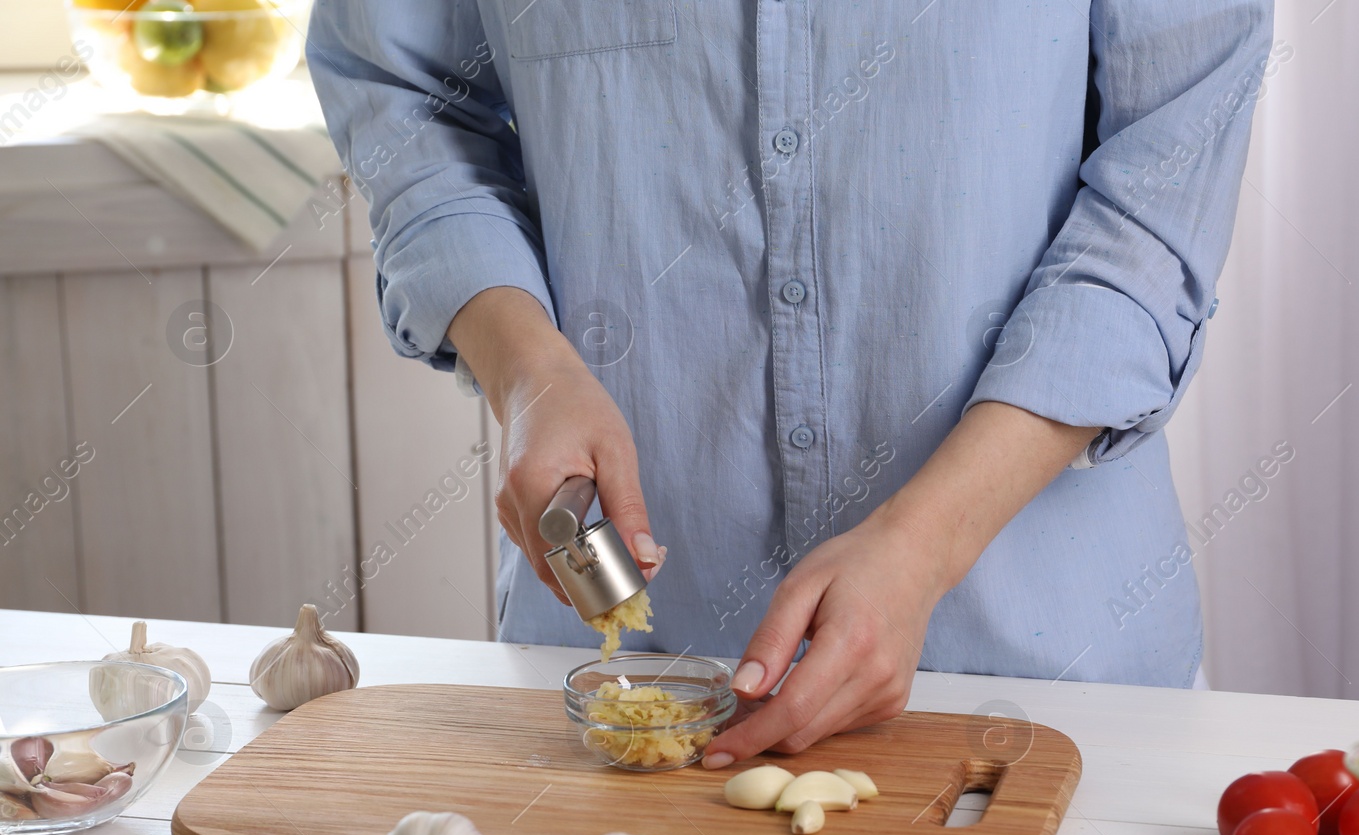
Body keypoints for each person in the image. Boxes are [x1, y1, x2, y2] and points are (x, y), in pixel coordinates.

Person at [308, 1, 1271, 768]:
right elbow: (401, 99)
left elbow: (1154, 205)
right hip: (629, 703)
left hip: (1051, 691)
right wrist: (529, 370)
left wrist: (926, 543)